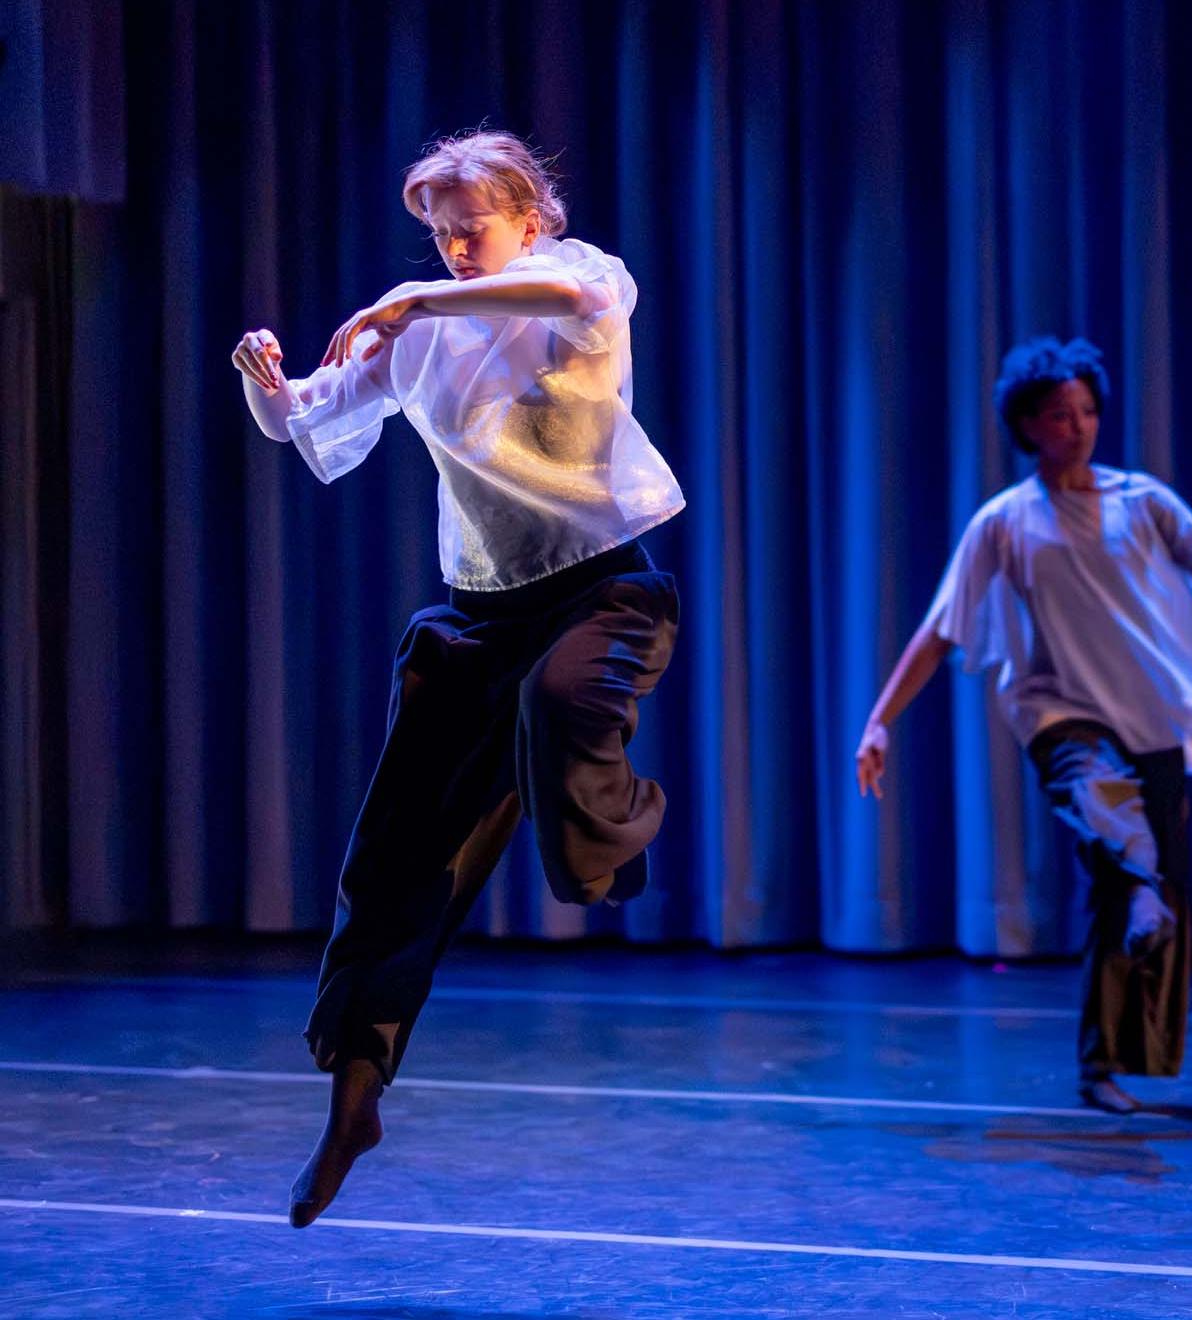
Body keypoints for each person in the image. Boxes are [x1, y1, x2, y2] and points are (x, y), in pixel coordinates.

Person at [229, 129, 685, 1226]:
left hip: (600, 588)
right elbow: (303, 424)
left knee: (563, 707)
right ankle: (355, 1095)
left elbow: (558, 299)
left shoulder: (577, 279)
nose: (452, 249)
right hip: (477, 617)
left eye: (469, 227)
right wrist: (264, 382)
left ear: (529, 218)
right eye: (437, 235)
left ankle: (613, 841)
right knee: (393, 856)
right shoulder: (422, 332)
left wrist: (414, 298)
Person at [855, 337, 1192, 1114]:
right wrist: (879, 722)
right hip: (1059, 713)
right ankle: (1137, 902)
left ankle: (1104, 1063)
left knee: (1139, 891)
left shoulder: (1143, 502)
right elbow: (940, 629)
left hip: (1149, 715)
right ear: (1027, 425)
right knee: (1113, 821)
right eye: (1058, 414)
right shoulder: (1004, 522)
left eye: (1086, 411)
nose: (1077, 426)